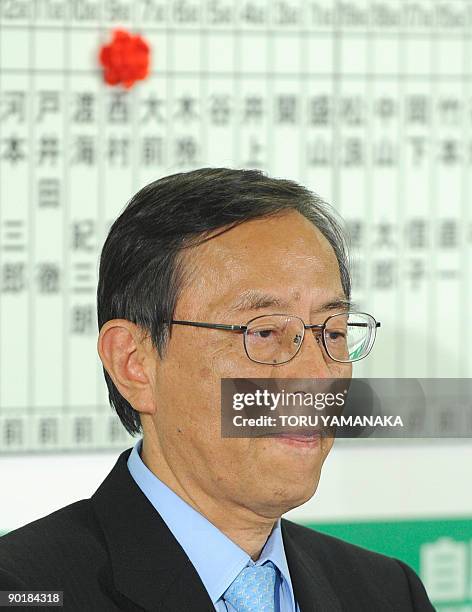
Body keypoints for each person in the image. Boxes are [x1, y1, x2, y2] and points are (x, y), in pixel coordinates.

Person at [0, 168, 434, 611]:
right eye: (263, 333)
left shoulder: (387, 592)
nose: (316, 374)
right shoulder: (25, 589)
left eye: (333, 332)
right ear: (133, 363)